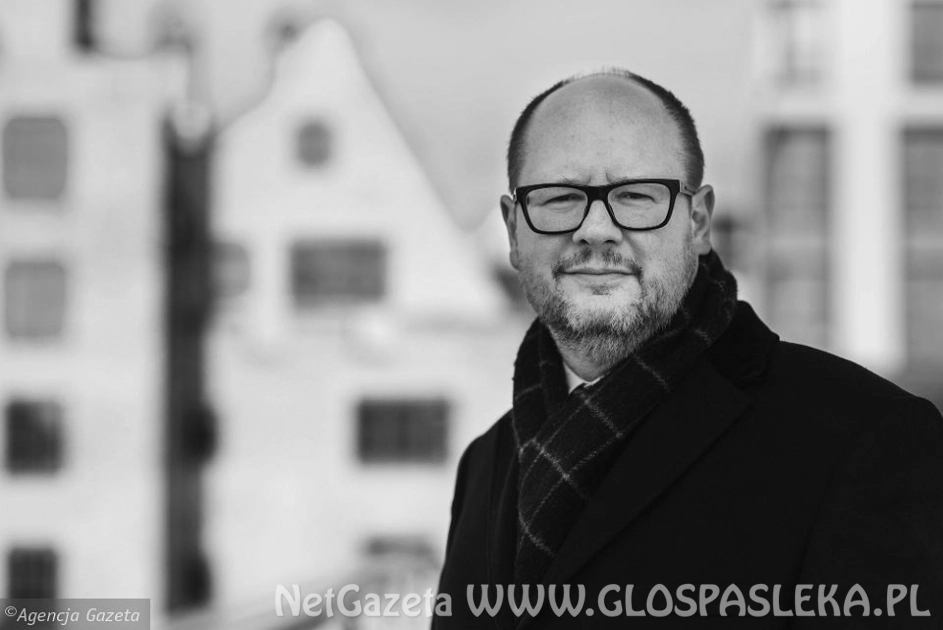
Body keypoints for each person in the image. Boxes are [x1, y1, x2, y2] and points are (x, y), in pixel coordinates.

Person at [432, 69, 943, 629]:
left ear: (698, 223)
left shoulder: (865, 438)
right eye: (558, 197)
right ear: (513, 231)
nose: (596, 229)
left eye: (635, 195)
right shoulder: (485, 466)